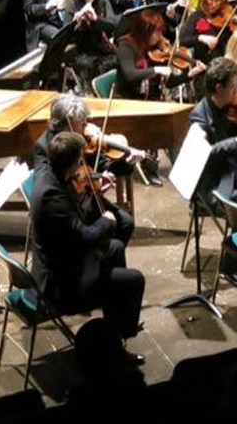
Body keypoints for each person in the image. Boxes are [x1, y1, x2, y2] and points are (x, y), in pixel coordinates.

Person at [30, 131, 145, 359]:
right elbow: (86, 236)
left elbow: (73, 222)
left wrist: (96, 190)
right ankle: (119, 343)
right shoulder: (53, 198)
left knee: (115, 248)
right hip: (62, 285)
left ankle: (115, 326)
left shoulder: (52, 177)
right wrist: (106, 221)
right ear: (73, 162)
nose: (83, 164)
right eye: (80, 159)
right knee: (133, 280)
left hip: (63, 259)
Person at [33, 93, 145, 233]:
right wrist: (88, 181)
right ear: (67, 125)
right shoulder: (44, 147)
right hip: (68, 205)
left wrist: (126, 163)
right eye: (82, 122)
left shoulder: (82, 136)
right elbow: (51, 185)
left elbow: (105, 165)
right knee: (109, 233)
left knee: (126, 223)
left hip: (87, 197)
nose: (86, 126)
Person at [189, 57, 237, 206]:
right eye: (233, 87)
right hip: (216, 183)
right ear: (219, 88)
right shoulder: (199, 117)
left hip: (235, 170)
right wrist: (235, 142)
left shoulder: (231, 106)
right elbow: (204, 154)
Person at [115, 8, 205, 101]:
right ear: (145, 32)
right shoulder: (126, 47)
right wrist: (156, 70)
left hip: (150, 100)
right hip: (127, 100)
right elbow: (130, 75)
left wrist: (189, 75)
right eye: (157, 32)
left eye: (160, 32)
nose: (160, 36)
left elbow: (168, 83)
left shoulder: (153, 49)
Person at [61, 0, 119, 94]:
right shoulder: (73, 4)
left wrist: (96, 19)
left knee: (118, 59)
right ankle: (92, 93)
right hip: (82, 50)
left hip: (102, 47)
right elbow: (66, 36)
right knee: (89, 65)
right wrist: (76, 24)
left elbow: (113, 24)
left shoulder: (103, 1)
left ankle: (112, 93)